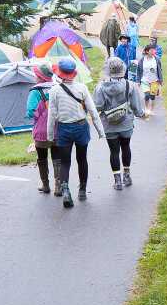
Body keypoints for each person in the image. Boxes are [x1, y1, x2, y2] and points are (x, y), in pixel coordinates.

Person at [47, 57, 104, 208]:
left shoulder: (54, 91)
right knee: (82, 159)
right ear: (74, 73)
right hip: (81, 127)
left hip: (64, 129)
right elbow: (92, 110)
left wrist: (50, 136)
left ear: (59, 73)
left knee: (65, 162)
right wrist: (100, 131)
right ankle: (82, 190)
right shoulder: (82, 88)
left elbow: (51, 115)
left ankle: (65, 190)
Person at [94, 57, 144, 191]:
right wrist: (141, 114)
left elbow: (98, 106)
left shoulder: (100, 87)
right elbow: (135, 106)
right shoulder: (130, 85)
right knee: (126, 147)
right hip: (126, 122)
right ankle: (127, 175)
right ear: (122, 69)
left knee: (114, 151)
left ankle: (117, 181)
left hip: (109, 124)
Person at [26, 65, 60, 196]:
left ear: (40, 77)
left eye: (36, 75)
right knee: (57, 156)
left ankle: (45, 185)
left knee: (42, 157)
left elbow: (30, 112)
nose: (34, 77)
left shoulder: (35, 91)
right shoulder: (57, 88)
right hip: (57, 128)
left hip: (41, 130)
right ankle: (58, 186)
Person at [136, 43, 163, 118]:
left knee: (152, 96)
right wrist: (138, 81)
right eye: (152, 50)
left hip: (155, 81)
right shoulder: (142, 60)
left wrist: (161, 80)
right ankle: (147, 109)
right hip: (145, 80)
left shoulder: (157, 59)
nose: (154, 51)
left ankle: (151, 110)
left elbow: (160, 70)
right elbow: (138, 71)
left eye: (154, 50)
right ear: (147, 51)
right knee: (147, 95)